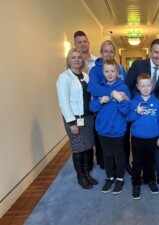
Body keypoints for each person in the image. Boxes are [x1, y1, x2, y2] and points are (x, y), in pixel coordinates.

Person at [126, 38, 159, 190]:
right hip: (138, 111)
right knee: (138, 146)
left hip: (155, 111)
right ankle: (138, 175)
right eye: (156, 52)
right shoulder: (139, 65)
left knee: (158, 146)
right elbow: (127, 87)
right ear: (150, 52)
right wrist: (134, 106)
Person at [56, 48, 98, 189]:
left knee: (87, 148)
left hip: (87, 118)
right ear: (68, 60)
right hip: (74, 119)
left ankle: (87, 174)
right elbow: (63, 101)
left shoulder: (86, 76)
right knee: (78, 149)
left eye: (79, 57)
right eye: (73, 57)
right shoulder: (64, 77)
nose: (77, 59)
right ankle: (80, 176)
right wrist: (71, 122)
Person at [89, 59, 130, 195]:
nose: (110, 74)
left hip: (117, 130)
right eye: (106, 71)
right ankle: (110, 177)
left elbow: (126, 110)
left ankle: (119, 178)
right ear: (103, 72)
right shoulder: (100, 88)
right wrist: (100, 102)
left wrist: (120, 100)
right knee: (107, 155)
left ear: (117, 72)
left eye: (112, 71)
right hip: (102, 129)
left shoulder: (123, 88)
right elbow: (92, 107)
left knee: (119, 154)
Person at [87, 40, 129, 172]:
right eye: (106, 51)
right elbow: (93, 88)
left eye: (111, 51)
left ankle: (124, 165)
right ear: (100, 52)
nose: (109, 54)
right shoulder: (95, 70)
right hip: (103, 109)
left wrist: (126, 97)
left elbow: (125, 86)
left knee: (121, 143)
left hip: (119, 112)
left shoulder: (120, 68)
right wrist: (112, 93)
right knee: (104, 144)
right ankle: (106, 166)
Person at [127, 73, 159, 200]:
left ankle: (151, 181)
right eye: (142, 86)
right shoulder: (133, 103)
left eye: (148, 85)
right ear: (138, 87)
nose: (145, 88)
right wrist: (136, 113)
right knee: (137, 162)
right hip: (137, 138)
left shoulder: (157, 103)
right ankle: (136, 184)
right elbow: (127, 118)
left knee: (150, 162)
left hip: (152, 138)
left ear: (152, 86)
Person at [74, 30, 100, 171]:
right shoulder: (72, 64)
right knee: (83, 137)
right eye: (80, 42)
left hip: (97, 104)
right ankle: (86, 167)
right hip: (82, 108)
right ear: (75, 44)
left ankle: (99, 160)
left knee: (97, 134)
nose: (83, 44)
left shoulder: (97, 61)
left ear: (89, 43)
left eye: (85, 41)